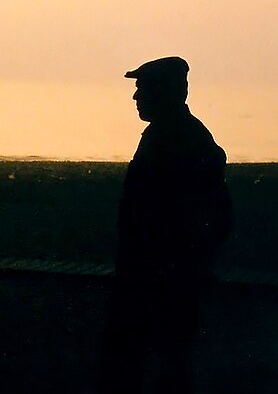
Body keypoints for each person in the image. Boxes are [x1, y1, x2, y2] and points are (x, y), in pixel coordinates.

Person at [98, 56, 232, 393]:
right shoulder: (174, 136)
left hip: (160, 271)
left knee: (156, 359)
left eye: (142, 89)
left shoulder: (176, 139)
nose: (135, 97)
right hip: (159, 269)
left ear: (165, 92)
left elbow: (199, 213)